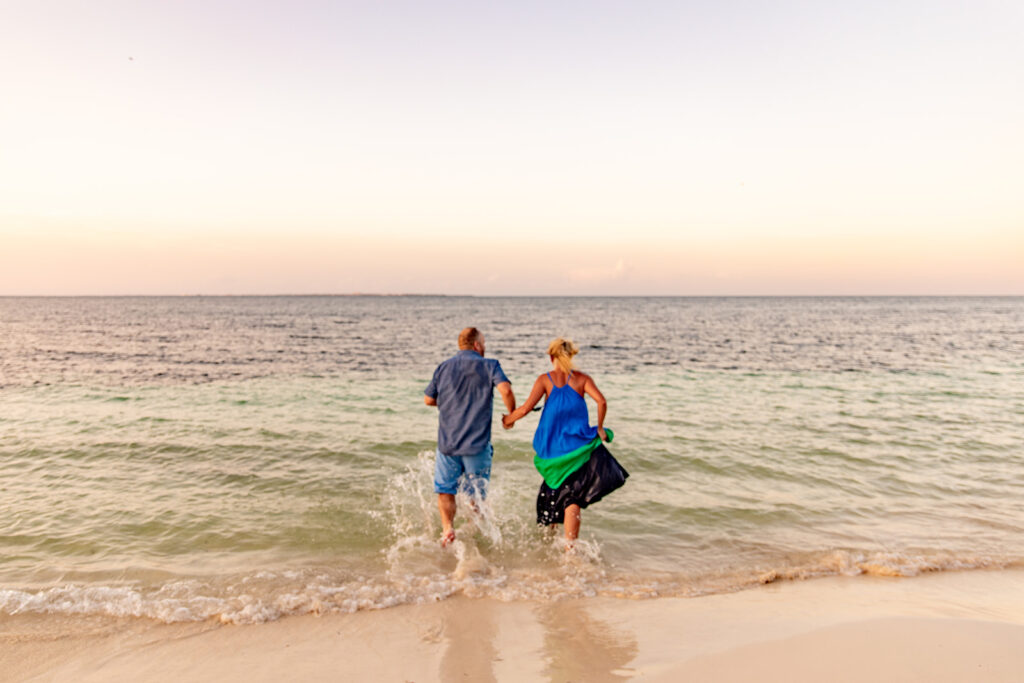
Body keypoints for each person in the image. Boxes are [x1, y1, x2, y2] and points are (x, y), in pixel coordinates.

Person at [502, 338, 628, 548]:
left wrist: (507, 420)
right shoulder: (582, 379)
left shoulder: (545, 380)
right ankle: (570, 549)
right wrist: (599, 427)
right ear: (571, 356)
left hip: (553, 453)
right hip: (579, 449)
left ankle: (547, 546)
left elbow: (524, 409)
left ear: (551, 357)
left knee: (553, 492)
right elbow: (602, 401)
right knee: (572, 498)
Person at [424, 327, 515, 547]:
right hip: (477, 445)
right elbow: (506, 390)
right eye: (483, 343)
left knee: (446, 490)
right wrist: (511, 416)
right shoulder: (490, 365)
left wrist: (448, 403)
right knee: (476, 495)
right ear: (476, 345)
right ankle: (476, 533)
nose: (484, 348)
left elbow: (428, 399)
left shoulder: (443, 367)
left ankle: (447, 530)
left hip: (448, 444)